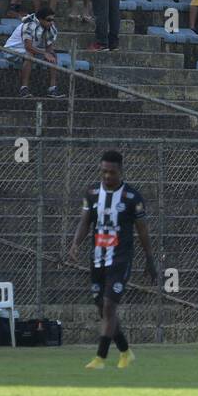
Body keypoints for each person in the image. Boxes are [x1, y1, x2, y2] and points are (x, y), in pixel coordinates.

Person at [67, 150, 155, 370]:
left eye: (112, 172)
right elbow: (85, 222)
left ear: (120, 171)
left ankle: (100, 358)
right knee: (102, 309)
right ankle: (125, 351)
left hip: (120, 259)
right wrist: (76, 244)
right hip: (97, 259)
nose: (107, 176)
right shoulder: (92, 193)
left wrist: (149, 259)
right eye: (104, 171)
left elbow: (142, 231)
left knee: (108, 307)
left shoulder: (132, 197)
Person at [5, 7, 60, 97]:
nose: (51, 22)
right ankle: (24, 88)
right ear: (40, 19)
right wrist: (44, 53)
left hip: (28, 50)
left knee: (53, 55)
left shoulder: (51, 27)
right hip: (12, 50)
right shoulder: (29, 25)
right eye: (49, 20)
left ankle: (52, 88)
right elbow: (28, 47)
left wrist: (49, 54)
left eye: (53, 19)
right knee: (30, 54)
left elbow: (49, 48)